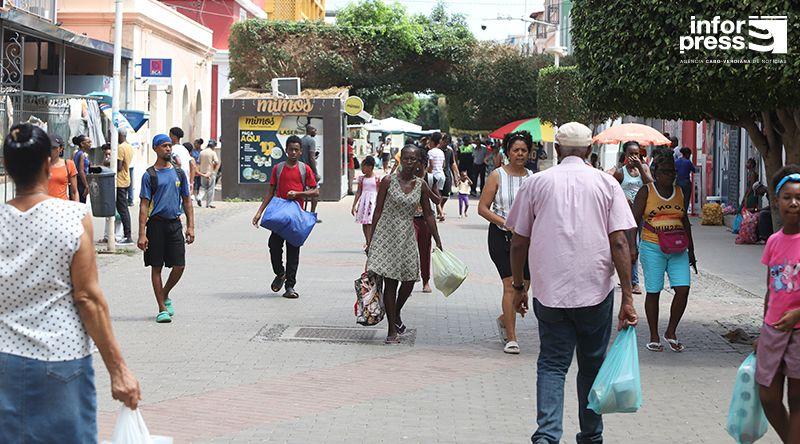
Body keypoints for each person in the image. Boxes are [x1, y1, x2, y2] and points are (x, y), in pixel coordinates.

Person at [0, 123, 141, 442]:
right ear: (48, 164)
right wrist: (118, 369)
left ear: (7, 167)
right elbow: (88, 298)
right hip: (60, 358)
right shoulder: (73, 218)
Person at [506, 122, 638, 444]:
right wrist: (628, 296)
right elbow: (620, 242)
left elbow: (518, 242)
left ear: (558, 150)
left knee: (552, 364)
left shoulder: (536, 184)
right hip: (596, 292)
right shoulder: (607, 184)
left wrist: (519, 286)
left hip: (550, 293)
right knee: (591, 365)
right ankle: (591, 436)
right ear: (589, 151)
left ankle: (547, 437)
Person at [366, 145, 442, 343]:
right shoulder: (388, 181)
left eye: (413, 159)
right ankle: (392, 329)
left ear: (418, 162)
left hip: (407, 235)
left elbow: (428, 214)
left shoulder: (421, 185)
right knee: (391, 281)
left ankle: (395, 311)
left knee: (409, 280)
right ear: (400, 159)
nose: (409, 162)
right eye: (406, 158)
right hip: (386, 234)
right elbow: (378, 211)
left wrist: (439, 241)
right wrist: (371, 240)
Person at [631, 152, 696, 352]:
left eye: (673, 172)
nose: (671, 176)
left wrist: (691, 251)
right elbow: (633, 221)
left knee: (683, 289)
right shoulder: (646, 192)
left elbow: (684, 220)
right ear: (656, 172)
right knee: (654, 290)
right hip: (652, 247)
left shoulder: (679, 191)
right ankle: (653, 335)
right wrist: (631, 247)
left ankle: (671, 332)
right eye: (667, 172)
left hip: (678, 248)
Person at [478, 131, 534, 354]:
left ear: (529, 152)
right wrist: (505, 222)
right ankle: (512, 338)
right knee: (510, 285)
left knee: (524, 287)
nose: (519, 154)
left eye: (523, 150)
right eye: (515, 150)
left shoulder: (533, 178)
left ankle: (504, 318)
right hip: (501, 237)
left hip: (527, 240)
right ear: (507, 152)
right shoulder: (497, 175)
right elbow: (482, 208)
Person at [756, 165, 800, 444]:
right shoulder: (773, 241)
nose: (794, 203)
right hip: (773, 331)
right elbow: (770, 289)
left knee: (797, 401)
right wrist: (762, 330)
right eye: (787, 197)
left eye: (799, 197)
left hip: (799, 332)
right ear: (776, 201)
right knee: (768, 397)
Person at [251, 135, 318, 299]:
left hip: (295, 217)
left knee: (293, 252)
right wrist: (259, 212)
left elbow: (315, 191)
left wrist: (299, 193)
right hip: (279, 215)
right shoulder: (278, 168)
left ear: (300, 151)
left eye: (296, 150)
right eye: (290, 149)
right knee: (273, 245)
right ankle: (280, 273)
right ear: (286, 150)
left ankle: (290, 286)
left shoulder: (305, 169)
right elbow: (270, 192)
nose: (293, 152)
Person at [137, 134, 195, 323]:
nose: (168, 149)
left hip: (174, 224)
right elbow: (144, 205)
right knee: (156, 267)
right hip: (155, 225)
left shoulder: (179, 173)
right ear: (155, 149)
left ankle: (164, 293)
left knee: (180, 265)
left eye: (169, 146)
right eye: (164, 146)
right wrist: (141, 234)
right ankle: (161, 308)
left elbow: (187, 201)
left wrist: (191, 226)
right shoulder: (149, 175)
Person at [610, 141, 653, 295]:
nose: (634, 157)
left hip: (644, 213)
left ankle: (632, 279)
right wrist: (623, 199)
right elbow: (612, 192)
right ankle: (633, 282)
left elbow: (651, 185)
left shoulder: (644, 168)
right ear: (625, 155)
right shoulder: (620, 172)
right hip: (627, 214)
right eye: (631, 154)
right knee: (631, 245)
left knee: (642, 245)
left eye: (637, 154)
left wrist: (641, 168)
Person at [352, 155, 379, 248]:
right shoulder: (361, 179)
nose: (362, 169)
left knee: (370, 222)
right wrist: (354, 205)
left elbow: (379, 192)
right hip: (364, 202)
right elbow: (359, 191)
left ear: (370, 167)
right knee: (364, 222)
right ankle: (367, 241)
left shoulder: (376, 179)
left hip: (373, 202)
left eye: (364, 166)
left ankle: (371, 241)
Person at [116, 128, 134, 245]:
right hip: (126, 179)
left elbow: (118, 166)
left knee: (122, 209)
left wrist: (108, 162)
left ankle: (128, 235)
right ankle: (123, 234)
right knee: (123, 208)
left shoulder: (121, 147)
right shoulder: (128, 146)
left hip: (120, 181)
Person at [47, 134, 79, 201]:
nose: (50, 150)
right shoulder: (40, 165)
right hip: (45, 207)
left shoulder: (68, 164)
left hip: (62, 207)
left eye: (54, 148)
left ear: (61, 149)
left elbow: (74, 191)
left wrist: (77, 209)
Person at [300, 125, 321, 221]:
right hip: (309, 170)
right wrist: (315, 173)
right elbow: (311, 157)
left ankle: (301, 213)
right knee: (315, 193)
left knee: (302, 192)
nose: (316, 131)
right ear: (310, 130)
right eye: (314, 129)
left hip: (300, 169)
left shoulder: (301, 140)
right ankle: (312, 215)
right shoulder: (311, 141)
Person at [438, 134, 460, 221]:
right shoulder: (437, 150)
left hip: (447, 174)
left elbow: (452, 163)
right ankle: (440, 212)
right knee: (438, 194)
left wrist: (456, 175)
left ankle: (441, 208)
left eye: (448, 142)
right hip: (438, 174)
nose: (446, 144)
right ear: (441, 140)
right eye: (445, 141)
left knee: (446, 195)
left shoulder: (449, 151)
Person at [169, 127, 196, 194]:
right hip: (186, 181)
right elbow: (193, 165)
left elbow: (179, 163)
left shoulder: (172, 149)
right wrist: (191, 182)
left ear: (174, 136)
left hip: (176, 182)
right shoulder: (184, 149)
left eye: (170, 136)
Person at [197, 139, 221, 208]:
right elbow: (216, 162)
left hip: (203, 172)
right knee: (210, 188)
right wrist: (214, 170)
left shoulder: (202, 152)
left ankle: (199, 197)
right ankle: (209, 203)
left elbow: (198, 162)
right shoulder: (212, 153)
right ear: (213, 146)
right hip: (210, 172)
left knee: (203, 187)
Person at [72, 135, 91, 203]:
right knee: (81, 202)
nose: (90, 144)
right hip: (81, 181)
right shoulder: (81, 155)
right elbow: (81, 171)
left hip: (77, 180)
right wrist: (86, 185)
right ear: (82, 144)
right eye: (88, 142)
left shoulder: (77, 153)